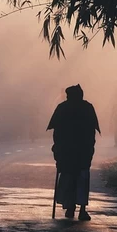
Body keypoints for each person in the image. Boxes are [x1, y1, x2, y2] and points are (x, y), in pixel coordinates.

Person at [47, 84, 100, 221]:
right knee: (81, 179)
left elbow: (57, 132)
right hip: (82, 151)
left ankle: (70, 207)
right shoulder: (87, 108)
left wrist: (58, 148)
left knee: (69, 177)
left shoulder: (63, 108)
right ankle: (81, 209)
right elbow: (91, 132)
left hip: (68, 152)